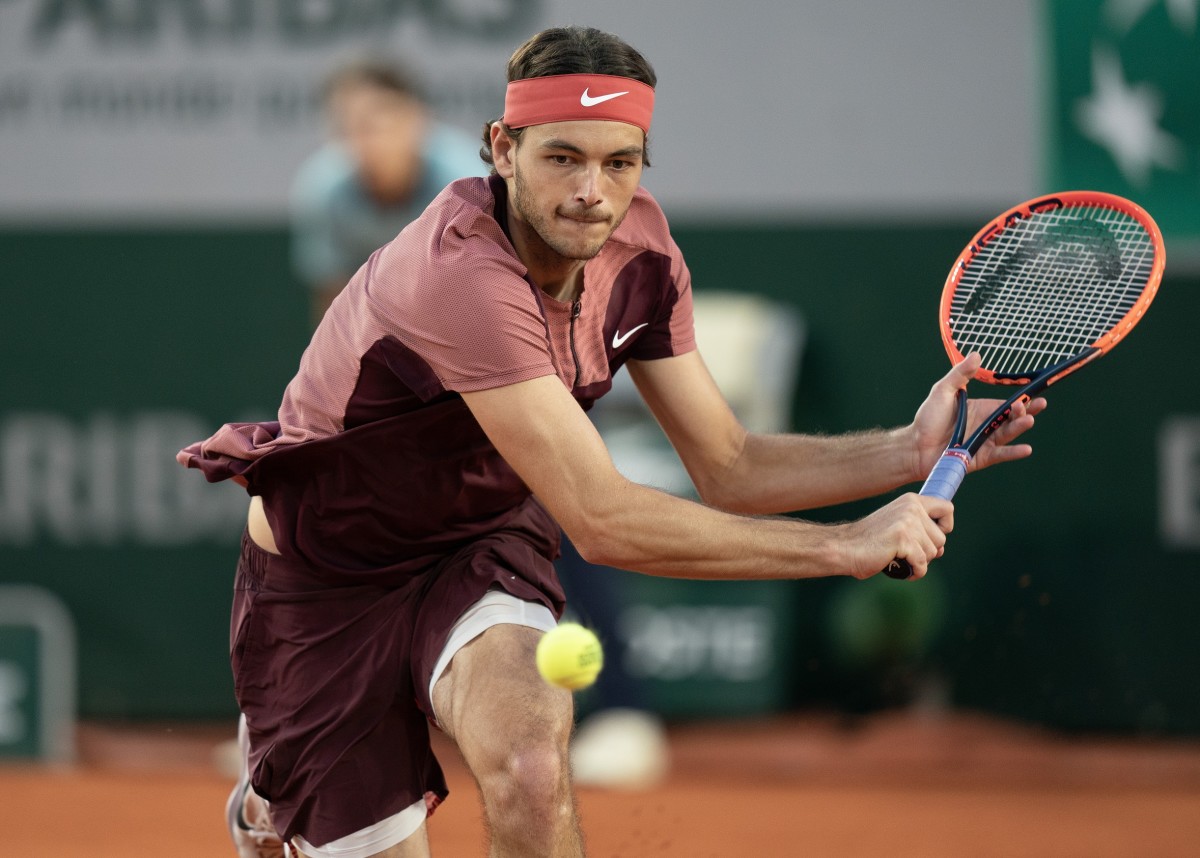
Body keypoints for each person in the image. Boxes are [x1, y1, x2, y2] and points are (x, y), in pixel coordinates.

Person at [179, 25, 1046, 858]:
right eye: (563, 157)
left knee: (529, 764)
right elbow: (601, 520)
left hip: (477, 544)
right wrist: (845, 544)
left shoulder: (642, 251)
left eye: (619, 162)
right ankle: (271, 797)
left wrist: (906, 449)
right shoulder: (458, 276)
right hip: (330, 577)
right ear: (503, 148)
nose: (592, 190)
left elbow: (731, 465)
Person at [290, 59, 488, 326]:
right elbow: (334, 305)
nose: (365, 140)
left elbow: (484, 288)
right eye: (347, 127)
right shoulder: (323, 189)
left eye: (375, 124)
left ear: (416, 119)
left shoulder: (466, 184)